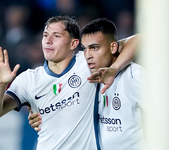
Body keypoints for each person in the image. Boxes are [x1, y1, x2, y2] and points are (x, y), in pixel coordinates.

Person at [0, 15, 138, 150]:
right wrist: (0, 85)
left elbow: (138, 40)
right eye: (45, 35)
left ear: (73, 44)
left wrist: (115, 68)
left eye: (56, 36)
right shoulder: (28, 79)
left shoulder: (87, 62)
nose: (48, 41)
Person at [28, 18, 145, 150]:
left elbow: (139, 40)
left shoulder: (134, 75)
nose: (88, 55)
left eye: (94, 48)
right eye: (85, 48)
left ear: (113, 47)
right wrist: (40, 111)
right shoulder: (85, 73)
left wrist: (114, 69)